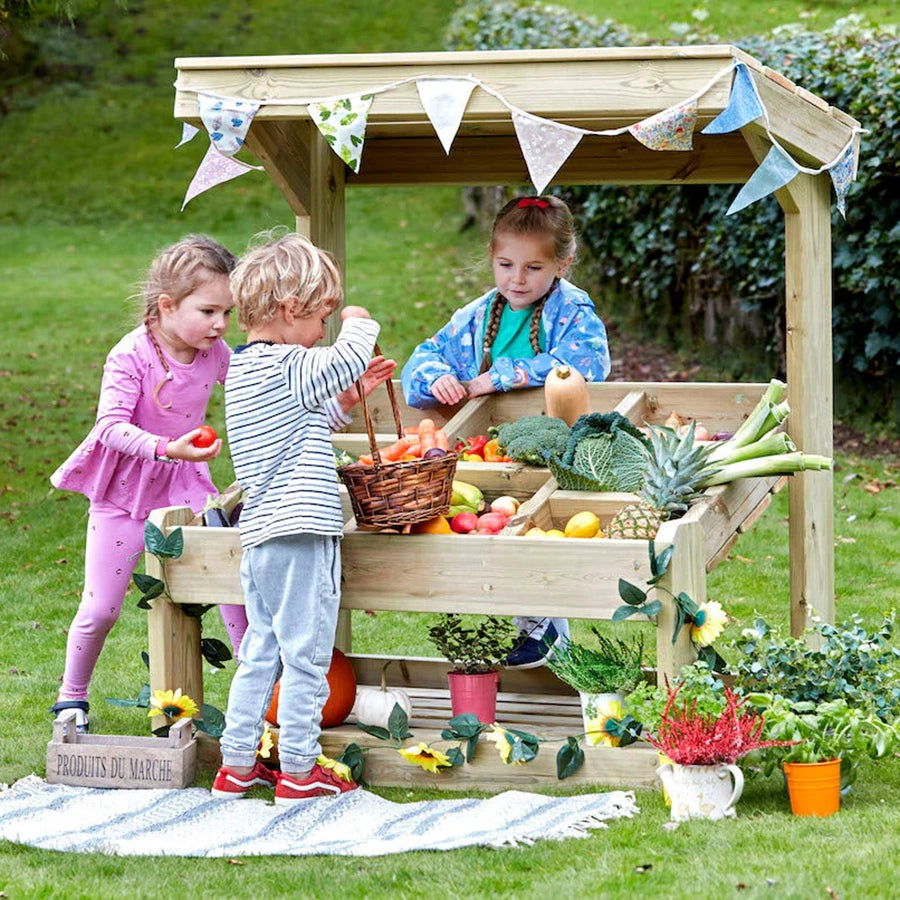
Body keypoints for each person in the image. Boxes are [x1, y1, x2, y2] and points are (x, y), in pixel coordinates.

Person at [211, 232, 393, 804]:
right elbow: (344, 358)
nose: (323, 329)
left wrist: (346, 400)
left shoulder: (247, 370)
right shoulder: (290, 361)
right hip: (300, 535)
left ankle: (236, 765)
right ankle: (298, 767)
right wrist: (358, 321)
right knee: (308, 657)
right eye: (321, 318)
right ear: (290, 310)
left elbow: (300, 420)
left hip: (263, 536)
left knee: (260, 653)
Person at [401, 195, 611, 669]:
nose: (517, 279)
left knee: (539, 534)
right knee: (503, 532)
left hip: (558, 444)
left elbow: (588, 364)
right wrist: (438, 376)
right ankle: (542, 636)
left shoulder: (573, 310)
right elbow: (423, 357)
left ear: (562, 264)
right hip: (495, 449)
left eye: (533, 268)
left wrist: (501, 376)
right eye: (505, 265)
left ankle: (543, 630)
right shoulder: (478, 315)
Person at [49, 235, 245, 733]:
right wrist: (168, 447)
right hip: (123, 497)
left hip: (188, 489)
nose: (221, 325)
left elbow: (252, 388)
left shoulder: (213, 352)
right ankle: (71, 698)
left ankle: (261, 688)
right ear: (167, 305)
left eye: (227, 312)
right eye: (209, 311)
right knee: (99, 609)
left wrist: (332, 398)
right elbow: (110, 428)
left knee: (231, 583)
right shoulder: (131, 355)